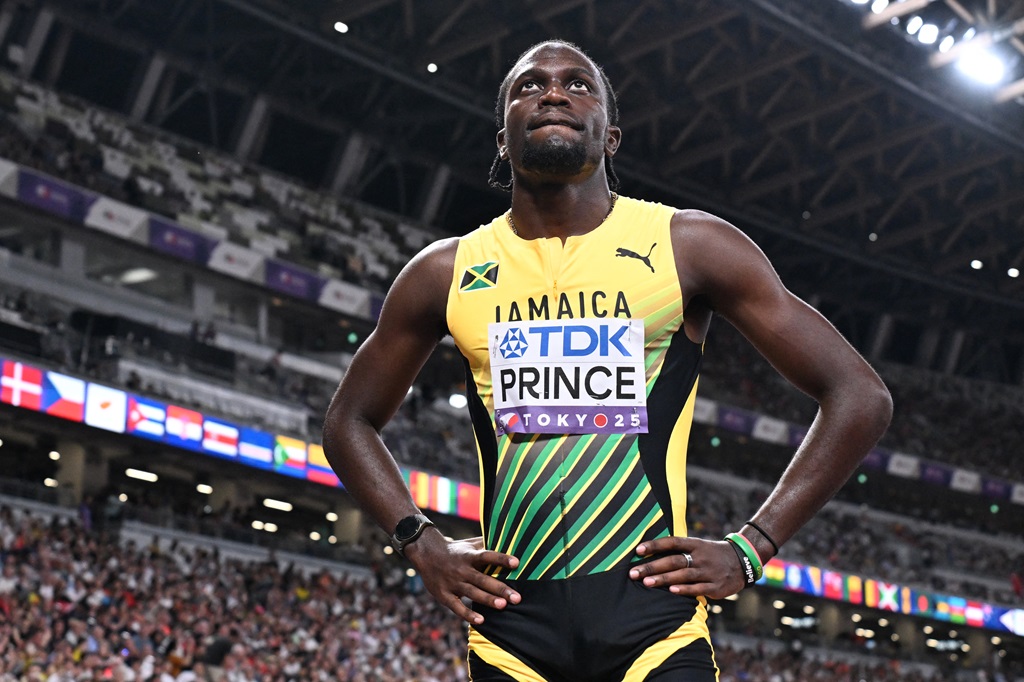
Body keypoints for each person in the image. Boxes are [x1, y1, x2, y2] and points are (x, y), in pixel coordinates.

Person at [323, 39, 892, 681]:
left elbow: (858, 395)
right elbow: (348, 421)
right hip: (512, 626)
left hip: (651, 622)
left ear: (611, 137)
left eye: (578, 84)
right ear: (504, 140)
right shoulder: (444, 272)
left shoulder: (689, 246)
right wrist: (420, 544)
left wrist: (754, 547)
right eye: (528, 85)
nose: (554, 93)